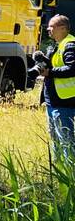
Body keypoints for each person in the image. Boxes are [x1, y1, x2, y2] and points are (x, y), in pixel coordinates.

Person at [32, 14, 75, 162]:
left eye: (52, 26)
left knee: (66, 142)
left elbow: (72, 69)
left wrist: (50, 72)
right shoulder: (57, 45)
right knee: (55, 141)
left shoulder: (70, 44)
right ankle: (59, 175)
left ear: (63, 28)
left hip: (64, 102)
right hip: (54, 101)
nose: (48, 29)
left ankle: (69, 177)